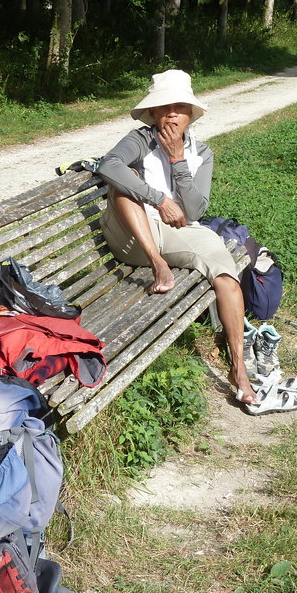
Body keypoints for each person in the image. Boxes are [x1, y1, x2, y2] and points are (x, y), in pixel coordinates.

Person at [96, 69, 258, 406]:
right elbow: (109, 165)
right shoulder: (140, 139)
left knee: (226, 277)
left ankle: (239, 368)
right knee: (123, 190)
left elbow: (196, 211)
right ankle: (159, 267)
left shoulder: (202, 152)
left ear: (190, 114)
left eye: (180, 107)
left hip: (178, 231)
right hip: (134, 236)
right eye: (165, 106)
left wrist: (177, 161)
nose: (172, 113)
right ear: (154, 113)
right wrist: (159, 199)